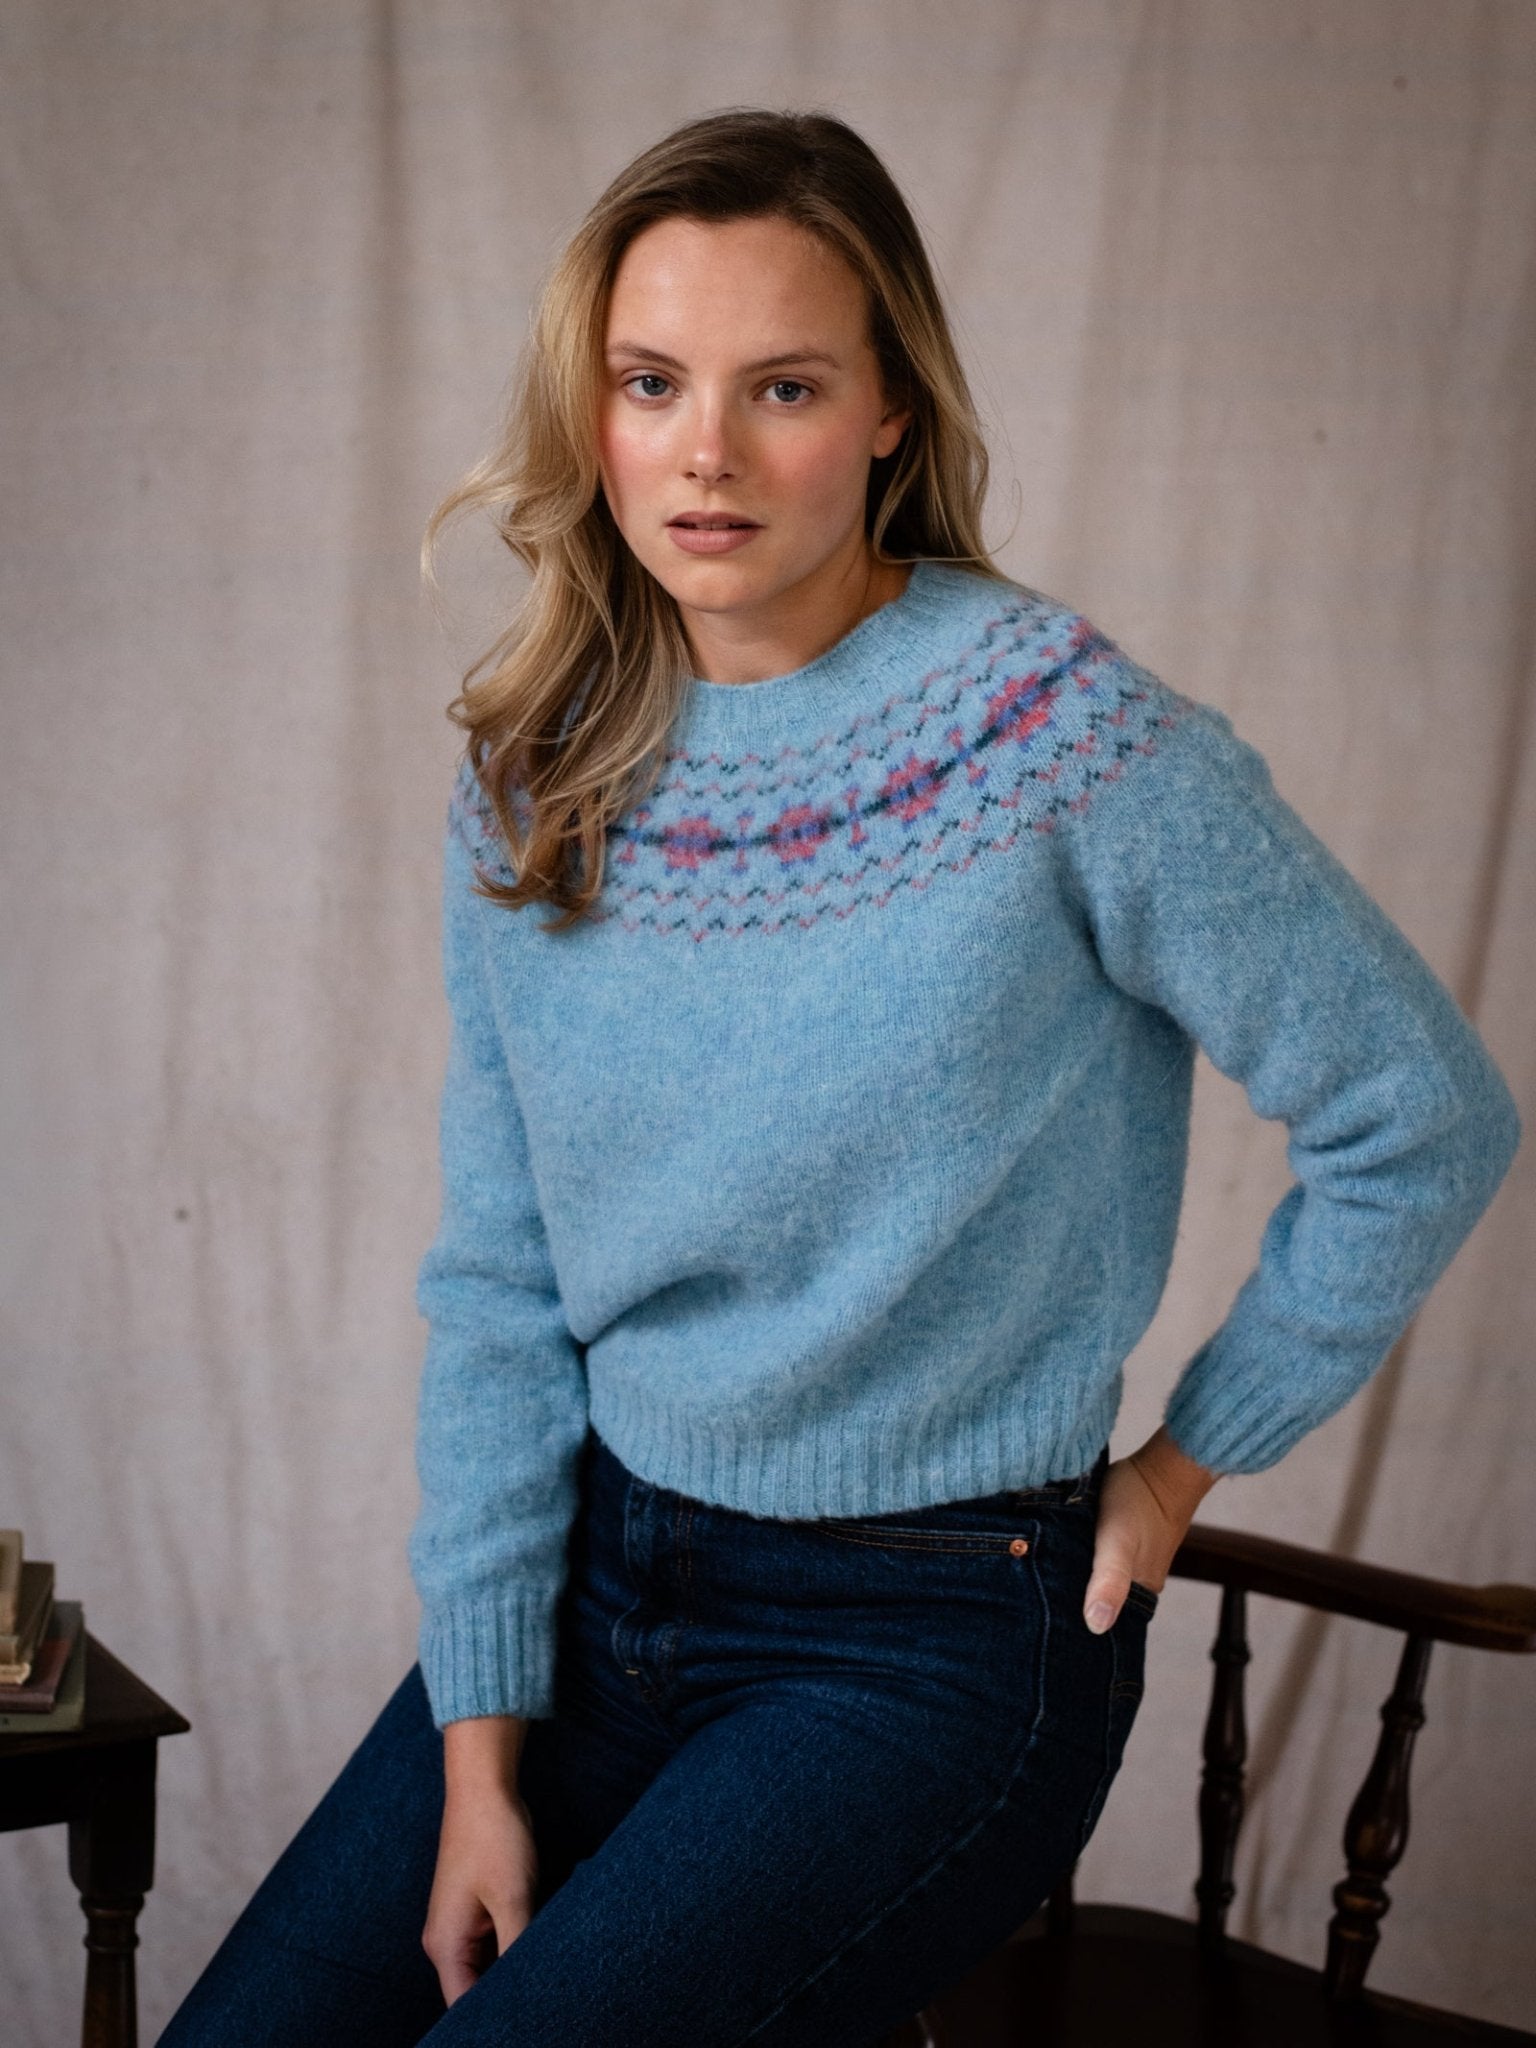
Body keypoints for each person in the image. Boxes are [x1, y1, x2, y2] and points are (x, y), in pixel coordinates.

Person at [158, 107, 1520, 2048]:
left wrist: (1182, 1459)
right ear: (595, 412)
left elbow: (1423, 1112)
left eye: (781, 385)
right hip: (592, 1609)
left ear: (890, 408)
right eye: (651, 384)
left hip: (928, 1645)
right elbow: (501, 1291)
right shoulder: (540, 775)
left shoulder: (1065, 737)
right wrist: (480, 1747)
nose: (703, 453)